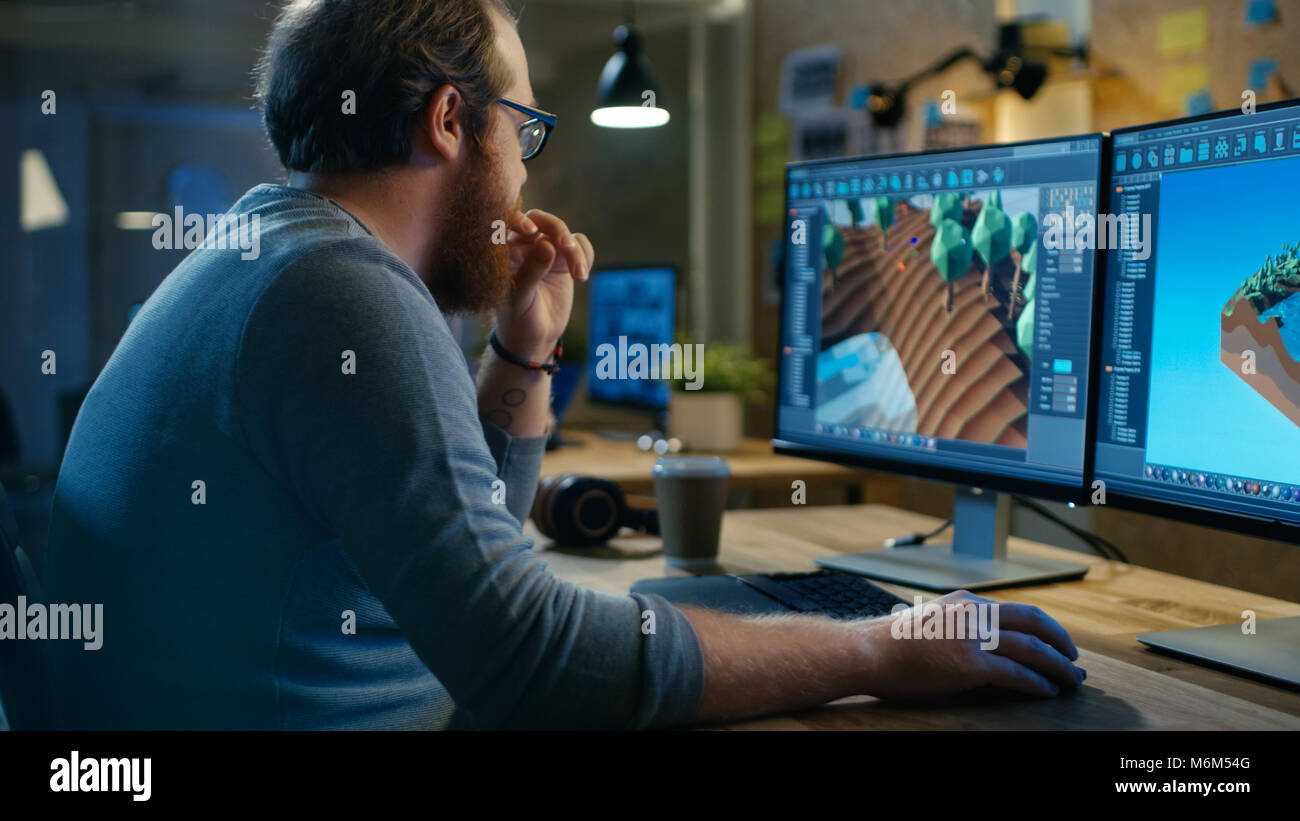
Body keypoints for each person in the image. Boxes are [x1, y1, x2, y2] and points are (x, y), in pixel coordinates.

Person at [44, 0, 1084, 730]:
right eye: (524, 131)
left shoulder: (261, 252)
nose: (523, 173)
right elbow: (527, 659)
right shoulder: (338, 292)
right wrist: (878, 650)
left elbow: (463, 552)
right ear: (449, 121)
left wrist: (523, 350)